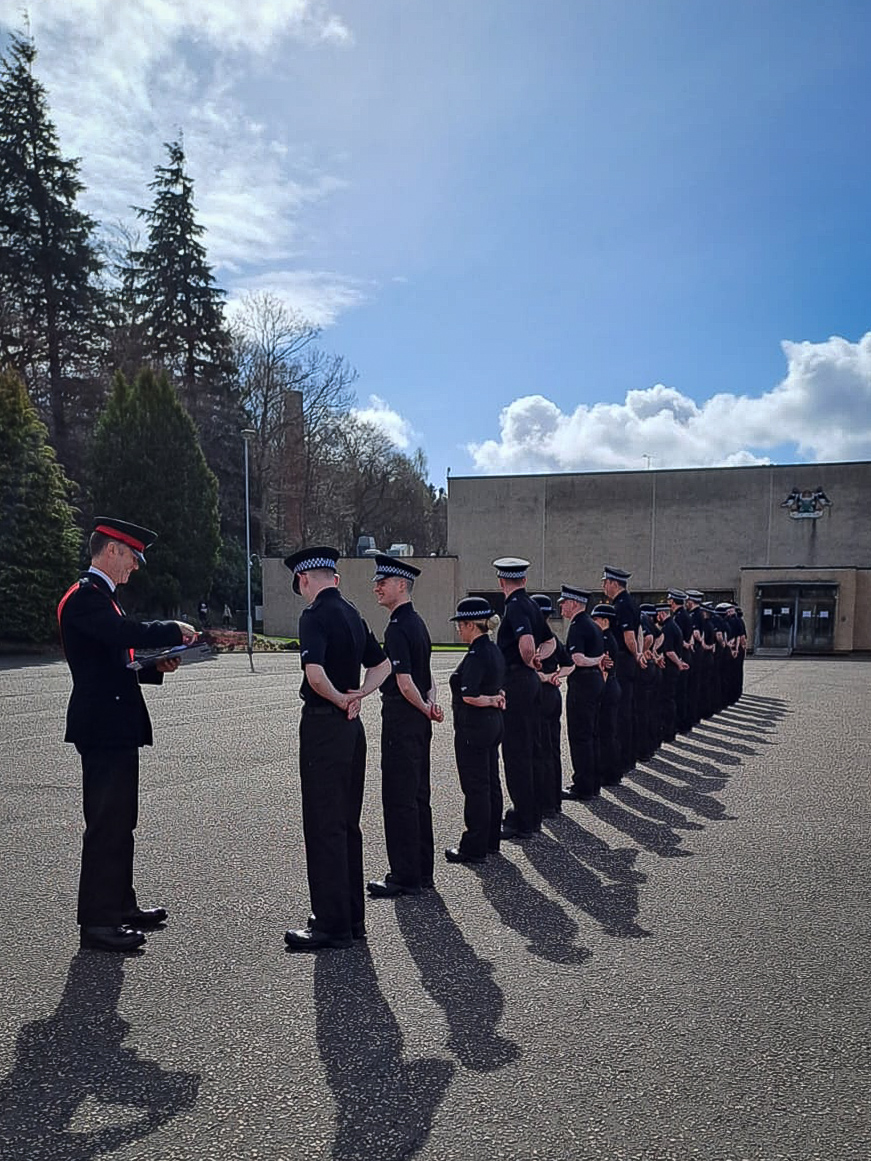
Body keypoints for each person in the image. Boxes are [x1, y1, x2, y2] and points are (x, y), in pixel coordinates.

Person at [57, 518, 198, 953]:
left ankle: (119, 905)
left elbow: (114, 660)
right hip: (102, 727)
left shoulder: (101, 597)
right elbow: (121, 635)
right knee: (106, 825)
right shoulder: (86, 598)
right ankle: (98, 922)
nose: (135, 567)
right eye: (133, 558)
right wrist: (171, 629)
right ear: (113, 549)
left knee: (122, 823)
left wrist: (154, 666)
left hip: (113, 724)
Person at [283, 546, 391, 952]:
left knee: (323, 823)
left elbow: (314, 675)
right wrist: (359, 693)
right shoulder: (353, 614)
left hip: (325, 726)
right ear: (336, 578)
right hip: (352, 728)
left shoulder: (313, 616)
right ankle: (351, 917)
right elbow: (383, 666)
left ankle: (331, 924)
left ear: (306, 580)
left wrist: (338, 698)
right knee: (347, 823)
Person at [367, 555, 442, 899]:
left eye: (384, 582)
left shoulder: (398, 627)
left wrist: (425, 706)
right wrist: (431, 705)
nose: (377, 587)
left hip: (403, 719)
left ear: (402, 585)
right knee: (418, 795)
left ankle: (404, 875)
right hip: (419, 720)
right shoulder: (419, 624)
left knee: (400, 797)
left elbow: (406, 681)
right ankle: (422, 871)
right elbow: (429, 679)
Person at [492, 557, 555, 839]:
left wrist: (532, 660)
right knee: (533, 747)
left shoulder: (515, 606)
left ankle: (523, 818)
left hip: (517, 680)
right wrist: (540, 659)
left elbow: (526, 643)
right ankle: (534, 811)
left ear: (501, 581)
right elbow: (551, 640)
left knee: (516, 753)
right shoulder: (531, 604)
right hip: (530, 684)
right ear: (524, 580)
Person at [445, 597, 506, 864]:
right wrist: (495, 698)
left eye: (461, 624)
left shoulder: (476, 654)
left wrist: (490, 699)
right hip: (492, 723)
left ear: (471, 624)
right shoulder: (493, 650)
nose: (459, 629)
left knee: (476, 786)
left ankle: (474, 846)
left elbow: (469, 694)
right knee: (491, 782)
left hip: (474, 725)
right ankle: (491, 839)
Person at [559, 586, 605, 801]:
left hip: (583, 683)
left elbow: (577, 659)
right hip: (594, 681)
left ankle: (583, 786)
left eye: (564, 602)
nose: (561, 606)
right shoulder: (592, 625)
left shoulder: (578, 626)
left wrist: (596, 661)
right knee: (593, 733)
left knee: (580, 736)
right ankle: (593, 783)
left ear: (574, 603)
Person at [530, 594, 573, 816]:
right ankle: (554, 800)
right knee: (552, 748)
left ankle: (544, 801)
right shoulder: (554, 639)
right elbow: (570, 665)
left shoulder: (533, 641)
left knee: (540, 749)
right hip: (552, 695)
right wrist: (557, 675)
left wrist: (545, 676)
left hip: (539, 695)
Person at [600, 566, 644, 779]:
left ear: (614, 583)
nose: (603, 586)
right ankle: (627, 757)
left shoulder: (623, 604)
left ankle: (624, 760)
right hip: (627, 660)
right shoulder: (629, 602)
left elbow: (629, 636)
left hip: (623, 660)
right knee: (626, 710)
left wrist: (636, 655)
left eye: (605, 582)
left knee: (621, 713)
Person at [590, 603, 622, 787]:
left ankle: (608, 774)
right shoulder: (610, 637)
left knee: (606, 732)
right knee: (610, 731)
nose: (593, 622)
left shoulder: (605, 640)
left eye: (596, 619)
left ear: (605, 621)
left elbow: (604, 669)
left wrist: (598, 692)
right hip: (613, 685)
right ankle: (612, 773)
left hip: (607, 686)